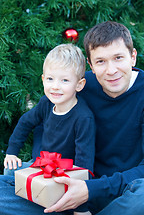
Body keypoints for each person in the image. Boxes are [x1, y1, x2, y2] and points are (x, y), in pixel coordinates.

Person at [1, 21, 144, 215]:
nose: (111, 70)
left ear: (132, 57)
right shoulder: (79, 84)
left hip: (118, 196)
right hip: (66, 189)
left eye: (118, 58)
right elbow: (43, 120)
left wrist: (89, 190)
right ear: (90, 65)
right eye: (101, 61)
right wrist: (45, 170)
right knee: (10, 176)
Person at [1, 43, 95, 215]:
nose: (55, 86)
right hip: (41, 169)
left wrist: (81, 208)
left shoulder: (83, 118)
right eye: (50, 79)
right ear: (43, 79)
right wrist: (12, 151)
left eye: (65, 80)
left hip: (65, 178)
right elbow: (25, 122)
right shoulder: (46, 103)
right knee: (9, 170)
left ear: (79, 84)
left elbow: (84, 164)